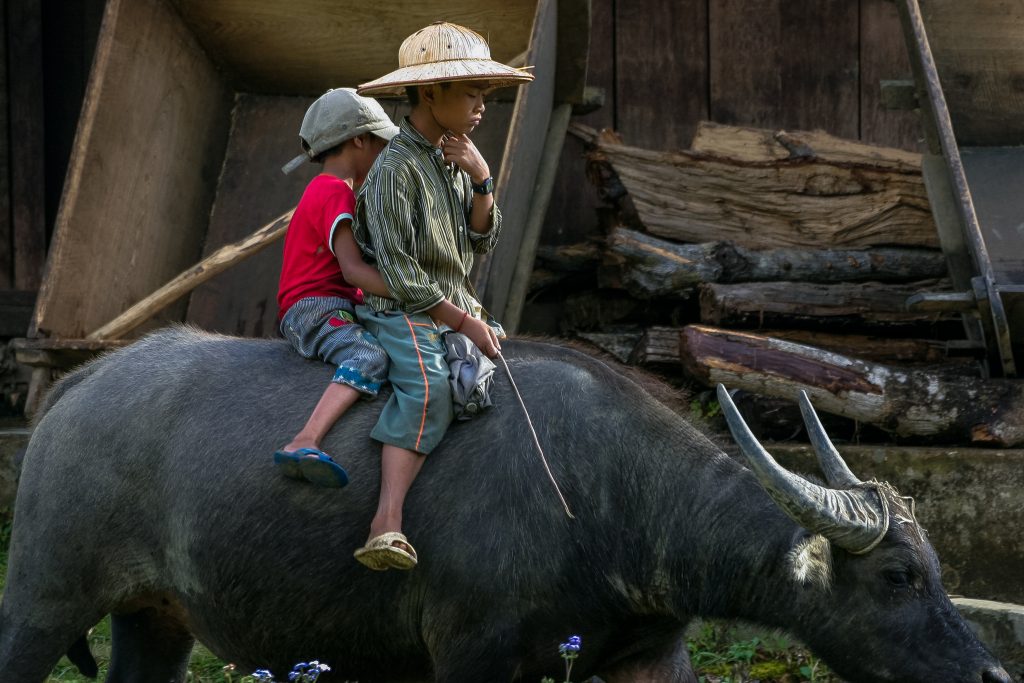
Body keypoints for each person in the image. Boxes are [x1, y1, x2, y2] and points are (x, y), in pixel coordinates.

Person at [349, 21, 534, 570]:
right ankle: (386, 523)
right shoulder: (393, 170)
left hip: (455, 303)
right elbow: (402, 273)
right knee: (429, 386)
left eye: (484, 94)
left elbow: (482, 240)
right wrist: (462, 322)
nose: (481, 107)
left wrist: (482, 178)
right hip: (403, 308)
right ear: (431, 92)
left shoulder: (454, 159)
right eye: (471, 93)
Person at [273, 88, 399, 488]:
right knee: (369, 355)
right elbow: (353, 271)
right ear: (359, 139)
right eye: (380, 144)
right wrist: (415, 292)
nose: (382, 154)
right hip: (316, 308)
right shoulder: (334, 191)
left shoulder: (330, 190)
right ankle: (305, 439)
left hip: (325, 303)